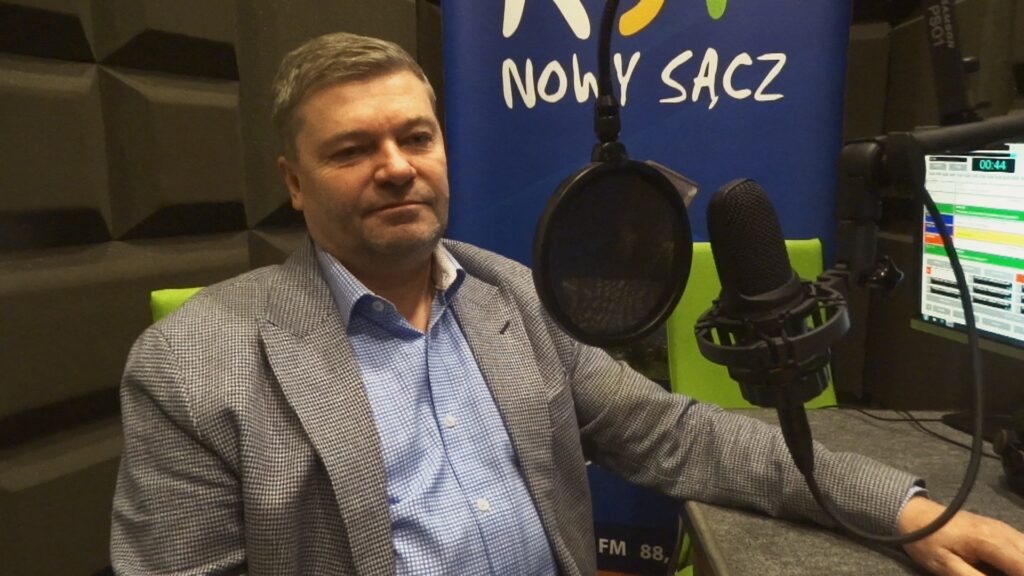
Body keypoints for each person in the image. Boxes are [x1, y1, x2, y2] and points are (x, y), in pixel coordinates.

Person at [110, 32, 1024, 575]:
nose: (395, 167)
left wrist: (898, 510)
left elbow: (678, 435)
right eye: (351, 150)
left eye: (415, 137)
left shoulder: (508, 294)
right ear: (294, 182)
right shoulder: (193, 364)